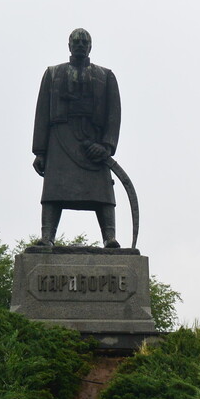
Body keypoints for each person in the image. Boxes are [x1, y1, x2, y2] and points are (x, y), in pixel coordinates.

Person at [33, 28, 121, 248]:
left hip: (93, 142)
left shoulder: (105, 75)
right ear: (69, 45)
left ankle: (109, 237)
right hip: (60, 138)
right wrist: (40, 152)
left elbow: (113, 115)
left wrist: (107, 145)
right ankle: (47, 237)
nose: (80, 45)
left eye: (85, 42)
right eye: (76, 41)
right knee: (54, 190)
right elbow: (42, 113)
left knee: (103, 191)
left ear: (90, 46)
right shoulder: (53, 74)